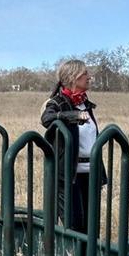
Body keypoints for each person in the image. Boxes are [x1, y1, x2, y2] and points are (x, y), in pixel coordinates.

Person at [40, 58, 105, 234]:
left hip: (91, 172)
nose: (89, 77)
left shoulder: (85, 103)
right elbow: (46, 118)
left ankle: (90, 253)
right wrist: (72, 116)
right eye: (85, 74)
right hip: (69, 174)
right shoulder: (57, 102)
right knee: (75, 225)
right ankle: (74, 254)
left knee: (92, 226)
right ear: (73, 77)